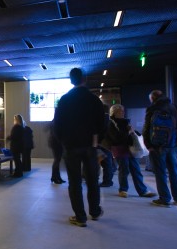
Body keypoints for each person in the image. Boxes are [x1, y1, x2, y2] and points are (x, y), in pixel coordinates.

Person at [56, 68, 106, 227]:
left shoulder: (64, 100)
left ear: (71, 81)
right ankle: (95, 211)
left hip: (71, 147)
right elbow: (103, 124)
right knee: (92, 180)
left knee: (74, 181)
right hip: (90, 146)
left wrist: (63, 142)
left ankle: (80, 217)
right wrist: (97, 142)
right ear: (85, 79)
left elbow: (57, 125)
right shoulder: (94, 99)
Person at [142, 90, 177, 207]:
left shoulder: (152, 109)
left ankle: (164, 199)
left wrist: (148, 145)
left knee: (160, 172)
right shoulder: (175, 108)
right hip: (173, 145)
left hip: (157, 146)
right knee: (174, 172)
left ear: (152, 98)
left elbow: (146, 129)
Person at [103, 104, 156, 198]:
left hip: (131, 149)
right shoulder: (111, 123)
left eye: (123, 110)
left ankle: (142, 191)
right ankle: (123, 190)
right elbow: (115, 138)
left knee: (136, 169)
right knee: (124, 169)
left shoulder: (125, 122)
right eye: (120, 111)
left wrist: (133, 132)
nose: (122, 112)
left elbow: (131, 134)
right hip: (119, 149)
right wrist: (128, 132)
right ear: (114, 112)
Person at [48, 109, 65, 184]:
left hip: (56, 143)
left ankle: (57, 177)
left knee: (57, 160)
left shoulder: (55, 121)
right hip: (56, 143)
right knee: (57, 160)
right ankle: (54, 177)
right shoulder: (56, 122)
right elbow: (56, 134)